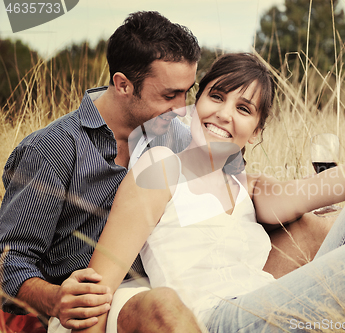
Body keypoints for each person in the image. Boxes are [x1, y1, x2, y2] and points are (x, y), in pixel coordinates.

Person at [84, 52, 345, 333]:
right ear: (196, 103)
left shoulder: (240, 184)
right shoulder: (159, 167)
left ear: (256, 131)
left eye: (244, 110)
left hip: (265, 302)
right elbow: (96, 287)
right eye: (216, 96)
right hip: (216, 320)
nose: (224, 115)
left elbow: (308, 193)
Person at [0, 10, 201, 332]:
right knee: (164, 312)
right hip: (90, 313)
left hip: (174, 287)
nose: (182, 107)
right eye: (169, 95)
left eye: (187, 91)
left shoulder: (180, 138)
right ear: (123, 84)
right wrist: (55, 298)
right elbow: (9, 260)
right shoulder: (51, 150)